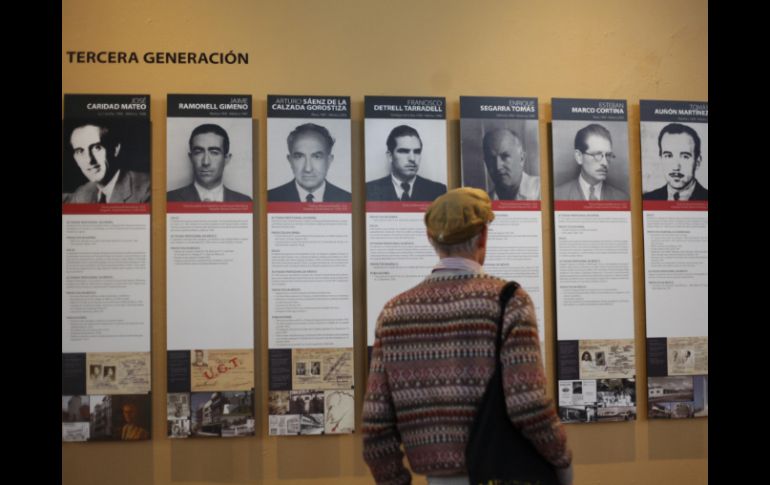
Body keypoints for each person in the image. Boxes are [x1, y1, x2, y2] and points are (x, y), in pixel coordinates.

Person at [362, 188, 573, 485]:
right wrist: (562, 462)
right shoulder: (508, 301)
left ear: (431, 239)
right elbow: (529, 404)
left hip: (436, 478)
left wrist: (394, 480)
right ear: (483, 236)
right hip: (504, 473)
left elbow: (375, 424)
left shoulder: (394, 312)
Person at [64, 121, 150, 203]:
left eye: (97, 147)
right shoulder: (84, 192)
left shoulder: (147, 189)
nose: (89, 160)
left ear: (116, 149)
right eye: (80, 151)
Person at [167, 123, 252, 202]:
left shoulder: (245, 201)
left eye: (214, 153)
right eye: (198, 152)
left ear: (226, 158)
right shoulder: (169, 199)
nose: (206, 162)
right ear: (191, 158)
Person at [268, 123, 351, 202]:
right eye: (299, 156)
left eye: (317, 157)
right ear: (290, 161)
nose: (308, 169)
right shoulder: (269, 198)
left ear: (329, 160)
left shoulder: (348, 199)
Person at [366, 124, 447, 201]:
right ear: (390, 156)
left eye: (417, 152)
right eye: (404, 151)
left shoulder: (439, 191)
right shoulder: (368, 191)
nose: (412, 158)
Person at [555, 123, 628, 201]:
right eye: (597, 154)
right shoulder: (557, 196)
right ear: (579, 156)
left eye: (608, 155)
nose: (605, 163)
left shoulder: (622, 198)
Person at [643, 123, 708, 201]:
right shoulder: (647, 199)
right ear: (661, 159)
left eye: (685, 157)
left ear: (697, 162)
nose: (676, 167)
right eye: (669, 156)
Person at [482, 128, 540, 200]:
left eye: (504, 156)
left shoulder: (542, 190)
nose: (498, 166)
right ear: (486, 163)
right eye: (491, 159)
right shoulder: (484, 202)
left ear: (522, 158)